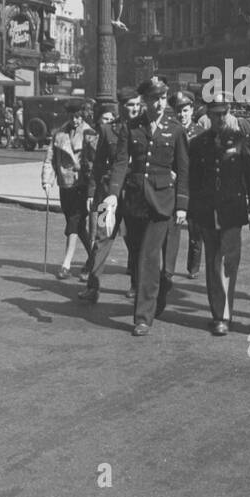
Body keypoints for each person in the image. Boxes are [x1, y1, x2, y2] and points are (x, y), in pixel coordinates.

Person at [103, 77, 190, 336]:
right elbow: (120, 163)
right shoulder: (132, 127)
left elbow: (184, 169)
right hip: (135, 201)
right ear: (145, 100)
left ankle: (142, 317)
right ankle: (157, 292)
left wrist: (182, 205)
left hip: (162, 202)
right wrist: (113, 195)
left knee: (149, 257)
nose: (160, 103)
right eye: (154, 98)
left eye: (163, 98)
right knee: (140, 257)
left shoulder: (175, 129)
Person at [188, 92, 250, 335]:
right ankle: (217, 312)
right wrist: (190, 211)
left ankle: (224, 315)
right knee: (212, 262)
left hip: (232, 213)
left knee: (228, 263)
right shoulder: (198, 144)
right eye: (215, 114)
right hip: (207, 212)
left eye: (223, 113)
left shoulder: (241, 141)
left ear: (229, 113)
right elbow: (192, 181)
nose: (219, 119)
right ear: (208, 114)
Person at [79, 89, 143, 303]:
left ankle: (136, 284)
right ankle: (93, 286)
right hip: (108, 194)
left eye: (137, 104)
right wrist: (91, 192)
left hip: (134, 195)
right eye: (130, 105)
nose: (134, 109)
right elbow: (98, 165)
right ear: (121, 106)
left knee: (135, 240)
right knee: (101, 238)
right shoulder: (108, 130)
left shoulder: (145, 128)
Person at [51, 101, 98, 279]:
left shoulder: (89, 132)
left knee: (74, 221)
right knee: (77, 226)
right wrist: (47, 180)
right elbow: (50, 157)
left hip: (82, 184)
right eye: (72, 117)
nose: (75, 120)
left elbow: (95, 160)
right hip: (65, 184)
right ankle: (94, 256)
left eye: (78, 116)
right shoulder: (59, 132)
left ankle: (66, 264)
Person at [164, 90, 205, 281]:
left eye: (186, 110)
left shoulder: (200, 134)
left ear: (192, 110)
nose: (182, 115)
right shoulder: (169, 131)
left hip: (195, 187)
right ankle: (168, 268)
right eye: (178, 111)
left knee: (195, 231)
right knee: (173, 228)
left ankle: (193, 266)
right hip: (174, 186)